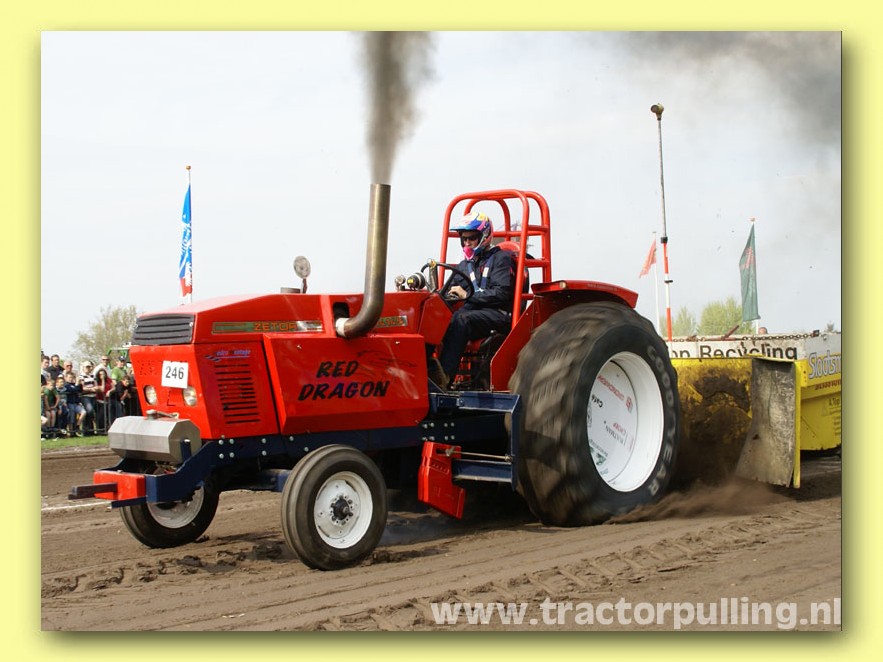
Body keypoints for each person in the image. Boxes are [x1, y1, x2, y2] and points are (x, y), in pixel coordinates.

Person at [431, 211, 516, 389]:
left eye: (472, 238)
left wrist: (467, 295)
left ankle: (444, 378)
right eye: (464, 239)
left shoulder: (501, 259)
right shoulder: (464, 265)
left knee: (461, 319)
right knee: (436, 318)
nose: (467, 243)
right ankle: (426, 369)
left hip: (497, 314)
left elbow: (501, 294)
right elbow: (448, 292)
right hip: (473, 315)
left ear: (484, 236)